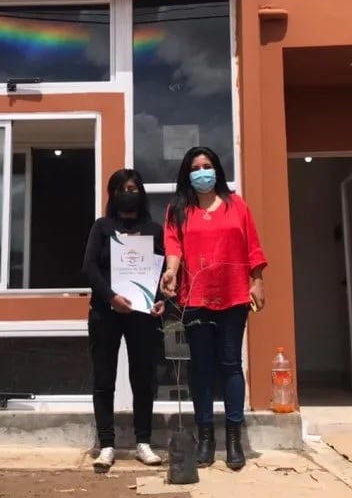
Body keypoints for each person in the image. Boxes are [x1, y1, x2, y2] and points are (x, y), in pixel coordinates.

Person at [159, 147, 267, 470]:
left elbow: (253, 246)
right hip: (195, 296)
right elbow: (174, 245)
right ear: (187, 173)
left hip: (234, 294)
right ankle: (205, 437)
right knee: (201, 367)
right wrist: (171, 271)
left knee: (231, 363)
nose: (202, 172)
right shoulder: (178, 209)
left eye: (207, 166)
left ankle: (234, 439)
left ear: (217, 170)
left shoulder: (238, 206)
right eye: (196, 167)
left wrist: (257, 281)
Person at [83, 168, 166, 472]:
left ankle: (143, 442)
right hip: (106, 313)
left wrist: (160, 299)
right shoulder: (102, 227)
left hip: (143, 316)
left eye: (134, 188)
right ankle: (106, 445)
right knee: (104, 380)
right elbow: (89, 268)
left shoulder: (154, 230)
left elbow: (162, 273)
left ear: (141, 193)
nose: (129, 193)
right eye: (122, 188)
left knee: (143, 379)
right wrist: (110, 297)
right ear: (113, 193)